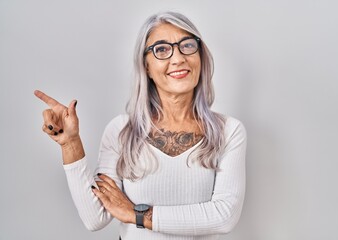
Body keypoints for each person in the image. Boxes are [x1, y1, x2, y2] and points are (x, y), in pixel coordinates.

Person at [34, 11, 247, 240]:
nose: (178, 59)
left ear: (201, 56)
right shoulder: (121, 131)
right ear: (146, 66)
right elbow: (95, 218)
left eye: (187, 45)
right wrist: (70, 143)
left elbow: (224, 216)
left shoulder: (228, 131)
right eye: (162, 49)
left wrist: (137, 215)